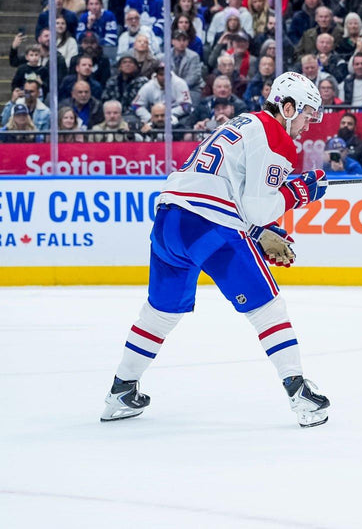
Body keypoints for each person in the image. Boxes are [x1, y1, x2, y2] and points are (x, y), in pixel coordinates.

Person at [99, 72, 331, 428]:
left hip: (168, 223)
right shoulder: (276, 135)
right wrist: (299, 193)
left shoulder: (244, 123)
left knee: (159, 314)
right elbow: (255, 207)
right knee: (268, 307)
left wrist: (257, 231)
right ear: (288, 107)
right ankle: (300, 394)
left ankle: (121, 391)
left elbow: (231, 194)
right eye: (307, 114)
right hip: (208, 226)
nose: (308, 124)